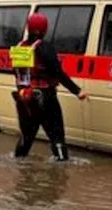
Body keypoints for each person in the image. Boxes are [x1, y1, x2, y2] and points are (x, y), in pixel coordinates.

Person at [11, 12, 87, 161]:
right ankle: (61, 169)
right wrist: (77, 91)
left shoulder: (19, 48)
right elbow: (58, 73)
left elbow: (18, 74)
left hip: (24, 98)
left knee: (27, 136)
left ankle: (19, 165)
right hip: (45, 98)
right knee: (57, 136)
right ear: (44, 29)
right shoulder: (45, 48)